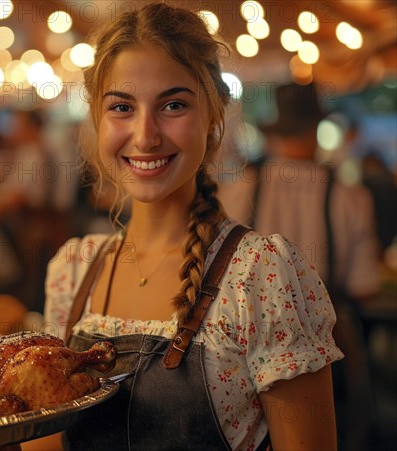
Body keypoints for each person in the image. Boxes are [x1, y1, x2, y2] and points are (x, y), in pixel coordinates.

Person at [35, 3, 343, 451]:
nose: (145, 136)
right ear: (97, 120)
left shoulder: (261, 273)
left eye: (173, 105)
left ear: (214, 115)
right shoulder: (73, 269)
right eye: (122, 107)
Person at [218, 83, 381, 451]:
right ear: (315, 130)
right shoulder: (350, 196)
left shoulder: (240, 188)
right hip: (326, 349)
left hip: (244, 348)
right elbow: (364, 286)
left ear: (275, 133)